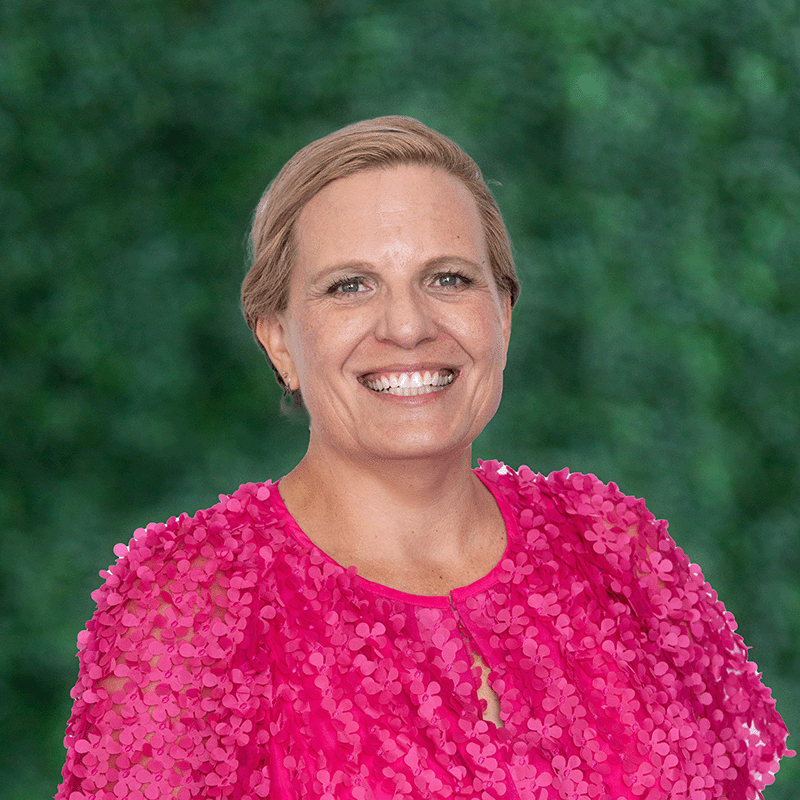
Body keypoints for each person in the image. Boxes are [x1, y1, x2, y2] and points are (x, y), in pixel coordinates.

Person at [56, 116, 791, 800]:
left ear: (503, 313)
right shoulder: (190, 596)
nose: (407, 326)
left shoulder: (614, 546)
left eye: (449, 279)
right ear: (279, 339)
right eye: (350, 286)